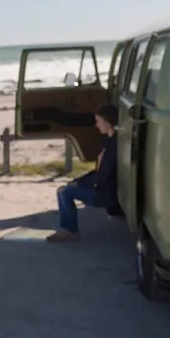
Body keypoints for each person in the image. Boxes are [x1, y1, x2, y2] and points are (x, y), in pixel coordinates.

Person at [46, 103, 119, 242]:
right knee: (65, 189)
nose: (96, 125)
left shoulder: (114, 146)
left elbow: (104, 176)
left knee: (65, 192)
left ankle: (69, 230)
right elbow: (98, 170)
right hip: (100, 187)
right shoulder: (108, 141)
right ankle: (68, 229)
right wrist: (78, 180)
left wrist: (81, 183)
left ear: (108, 123)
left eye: (99, 121)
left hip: (106, 194)